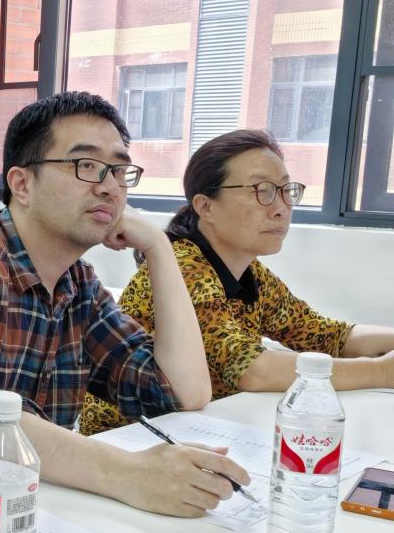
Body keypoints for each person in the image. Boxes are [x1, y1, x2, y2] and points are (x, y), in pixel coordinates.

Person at [0, 91, 250, 518]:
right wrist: (126, 473)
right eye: (85, 165)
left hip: (6, 509)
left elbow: (183, 392)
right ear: (22, 184)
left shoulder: (78, 283)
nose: (109, 186)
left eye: (118, 170)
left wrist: (159, 247)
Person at [80, 129, 394, 436]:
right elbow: (250, 369)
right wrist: (381, 371)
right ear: (206, 206)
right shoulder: (183, 267)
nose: (281, 209)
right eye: (262, 191)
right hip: (131, 436)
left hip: (203, 428)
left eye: (286, 191)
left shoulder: (250, 272)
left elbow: (323, 334)